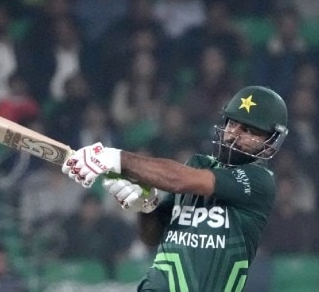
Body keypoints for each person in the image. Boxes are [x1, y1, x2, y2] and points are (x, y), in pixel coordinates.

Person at [61, 85, 289, 291]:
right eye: (232, 124)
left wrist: (114, 157)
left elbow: (179, 180)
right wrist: (146, 205)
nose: (233, 135)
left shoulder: (259, 181)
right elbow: (152, 237)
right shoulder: (198, 164)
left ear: (271, 144)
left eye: (249, 131)